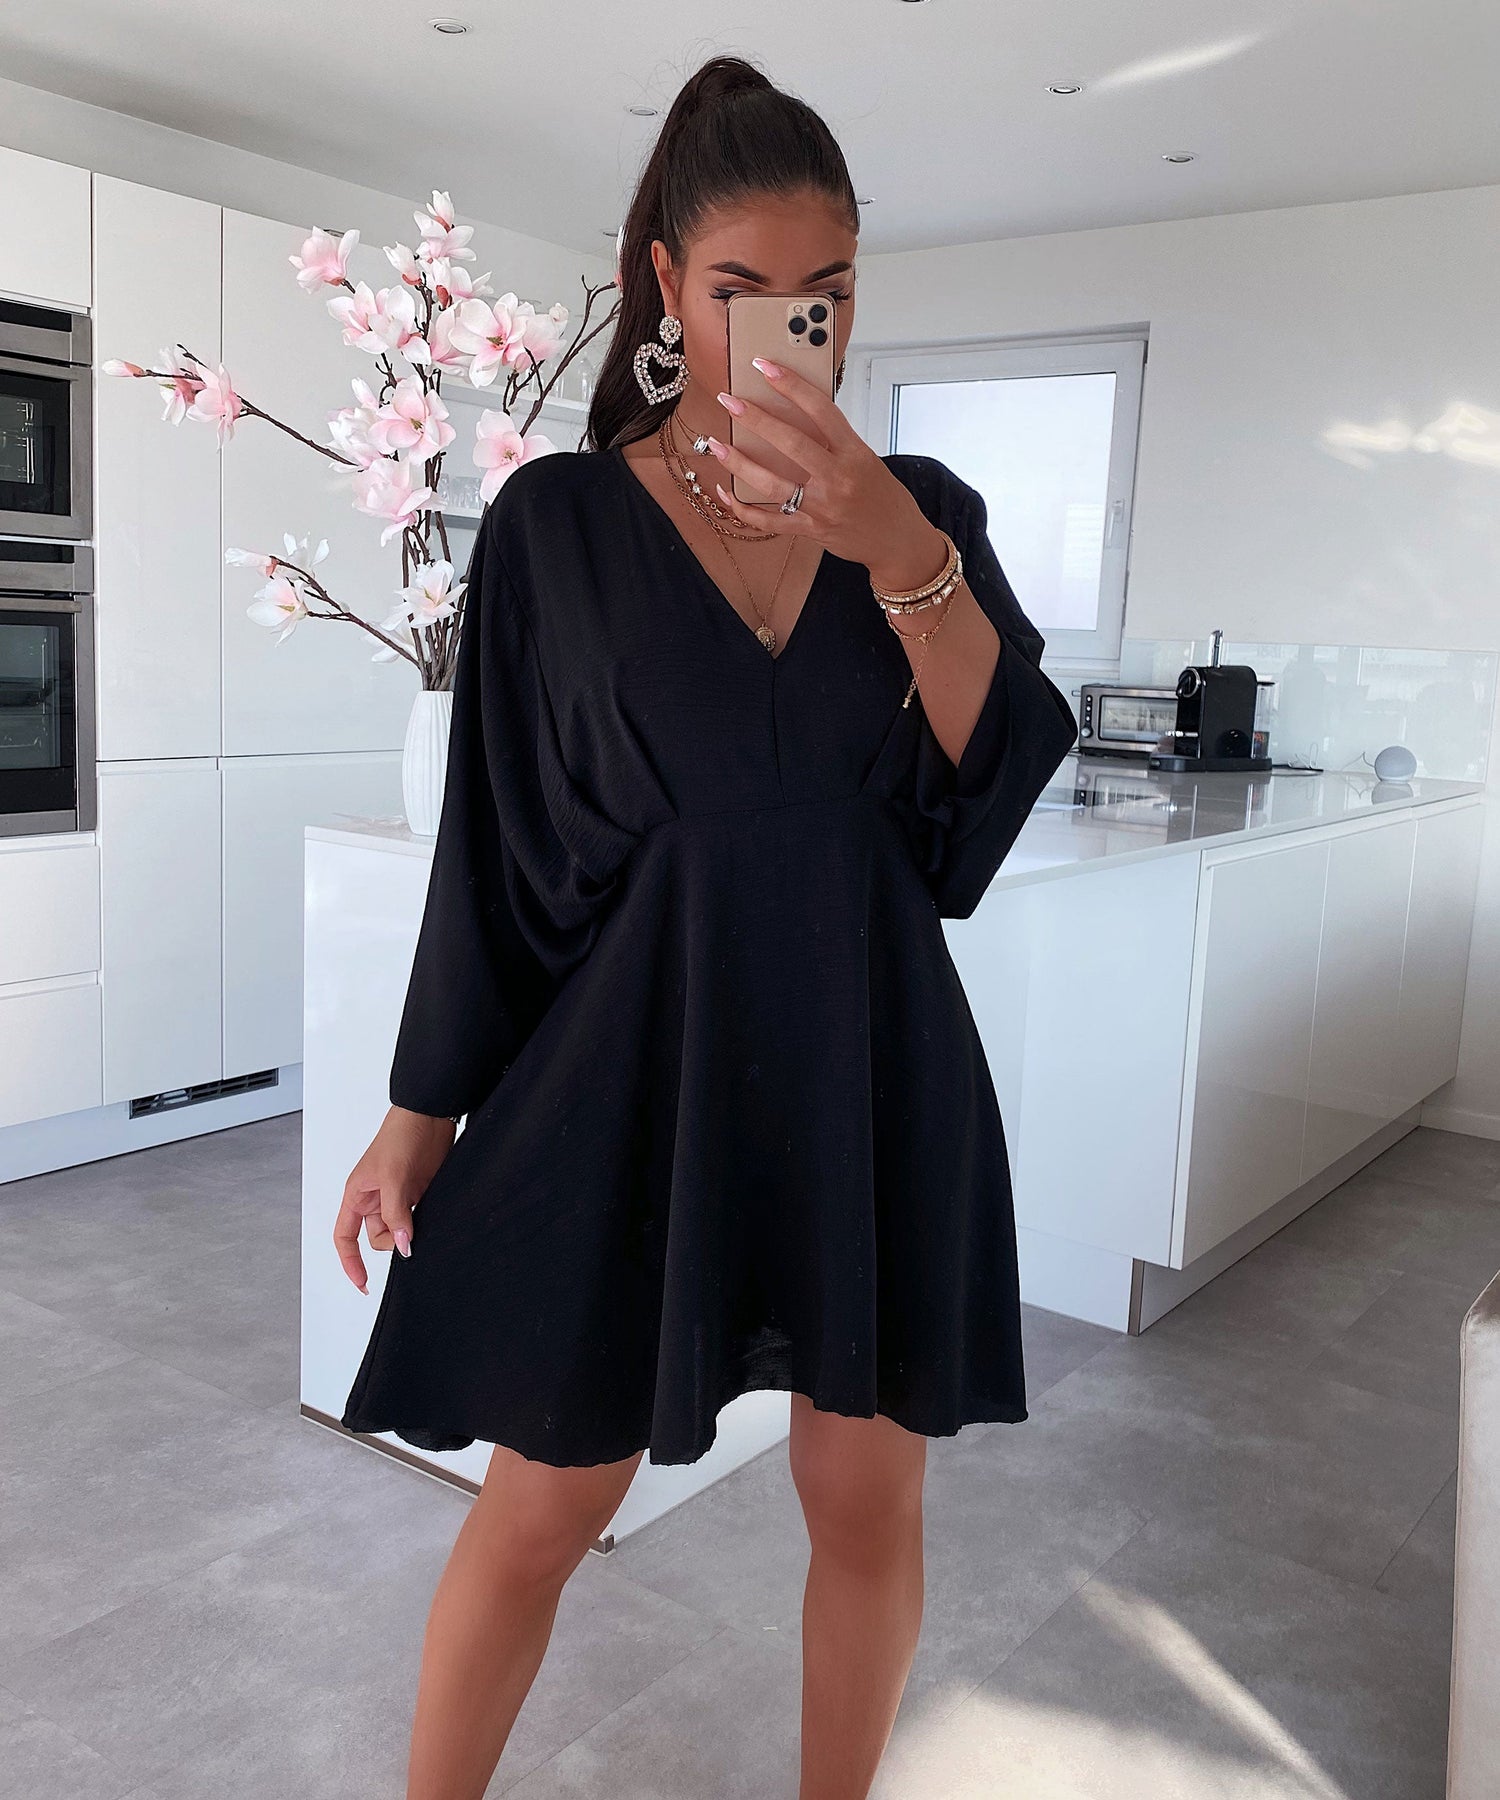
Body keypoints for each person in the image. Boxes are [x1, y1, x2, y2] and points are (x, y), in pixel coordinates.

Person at [332, 52, 1078, 1800]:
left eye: (827, 294)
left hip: (868, 1068)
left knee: (866, 1498)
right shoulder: (557, 524)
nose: (787, 330)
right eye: (742, 288)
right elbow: (495, 848)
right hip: (629, 1079)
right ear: (667, 282)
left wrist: (892, 543)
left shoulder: (926, 515)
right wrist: (418, 1114)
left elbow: (986, 792)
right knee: (544, 1503)